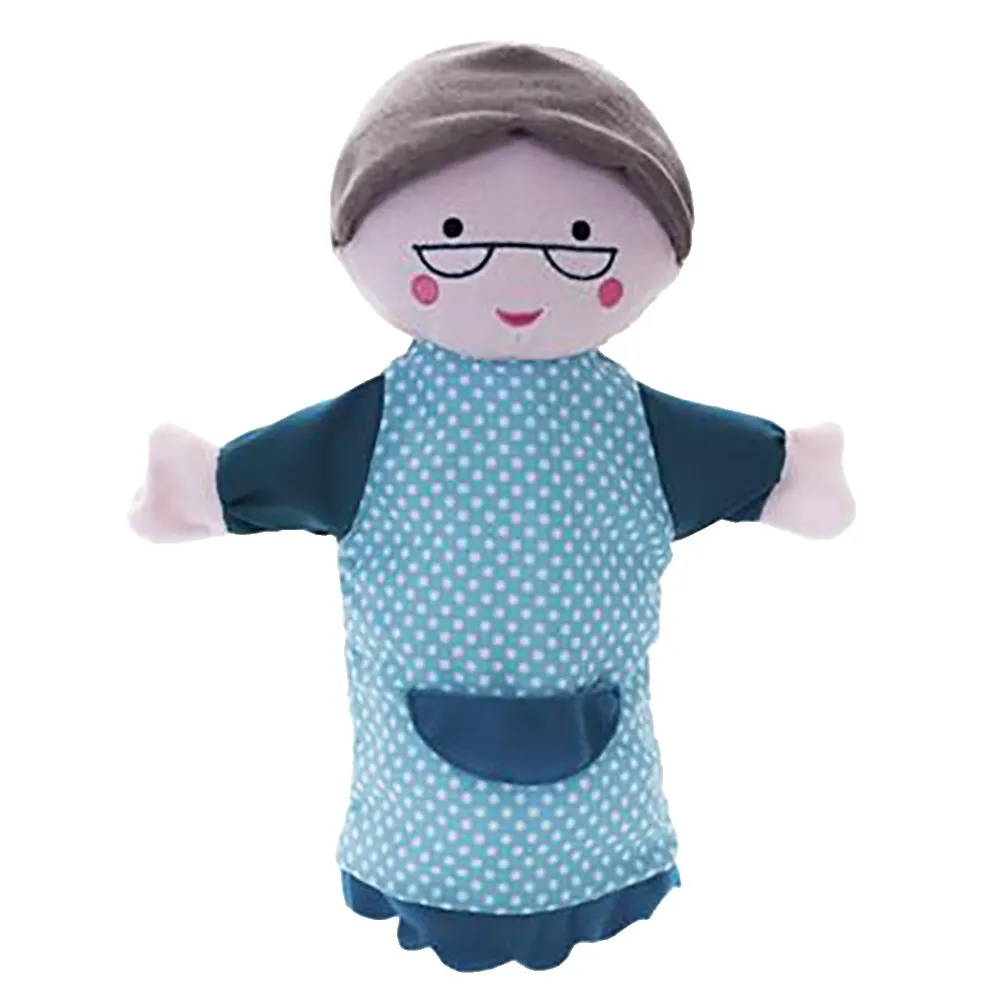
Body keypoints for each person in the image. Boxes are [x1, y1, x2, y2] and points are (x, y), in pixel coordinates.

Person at [128, 42, 855, 972]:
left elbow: (744, 464)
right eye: (456, 238)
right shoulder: (388, 421)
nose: (517, 278)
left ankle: (584, 883)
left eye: (579, 241)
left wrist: (789, 469)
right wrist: (212, 486)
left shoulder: (629, 423)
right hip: (424, 807)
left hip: (592, 799)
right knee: (446, 812)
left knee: (572, 814)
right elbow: (281, 466)